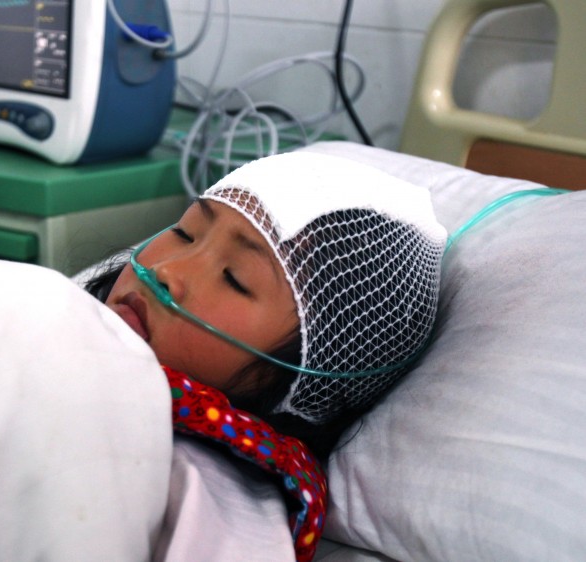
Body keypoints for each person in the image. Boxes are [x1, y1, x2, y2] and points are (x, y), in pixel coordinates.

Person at [86, 151, 446, 560]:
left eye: (234, 278)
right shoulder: (59, 316)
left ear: (306, 380)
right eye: (185, 232)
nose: (167, 271)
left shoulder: (209, 498)